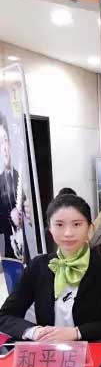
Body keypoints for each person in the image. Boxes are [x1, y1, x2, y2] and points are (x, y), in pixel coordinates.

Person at [0, 188, 101, 340]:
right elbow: (5, 316)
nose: (68, 233)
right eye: (59, 225)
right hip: (48, 351)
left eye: (77, 224)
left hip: (93, 350)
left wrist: (78, 332)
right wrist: (34, 332)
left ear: (90, 228)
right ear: (50, 229)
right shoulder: (38, 266)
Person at [0, 111, 20, 259]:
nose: (4, 148)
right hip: (8, 251)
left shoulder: (22, 179)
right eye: (0, 143)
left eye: (5, 140)